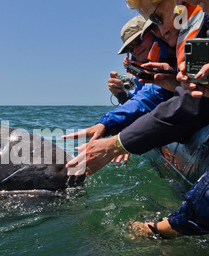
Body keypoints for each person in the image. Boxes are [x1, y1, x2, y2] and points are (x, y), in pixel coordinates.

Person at [66, 0, 209, 237]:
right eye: (130, 47)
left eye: (156, 20)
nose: (162, 30)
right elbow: (157, 97)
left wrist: (119, 142)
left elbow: (188, 105)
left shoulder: (204, 26)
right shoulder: (208, 26)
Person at [64, 15, 175, 164]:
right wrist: (120, 94)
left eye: (138, 40)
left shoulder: (167, 60)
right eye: (130, 47)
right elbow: (140, 98)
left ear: (155, 31)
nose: (135, 49)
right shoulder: (141, 70)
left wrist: (107, 124)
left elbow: (151, 97)